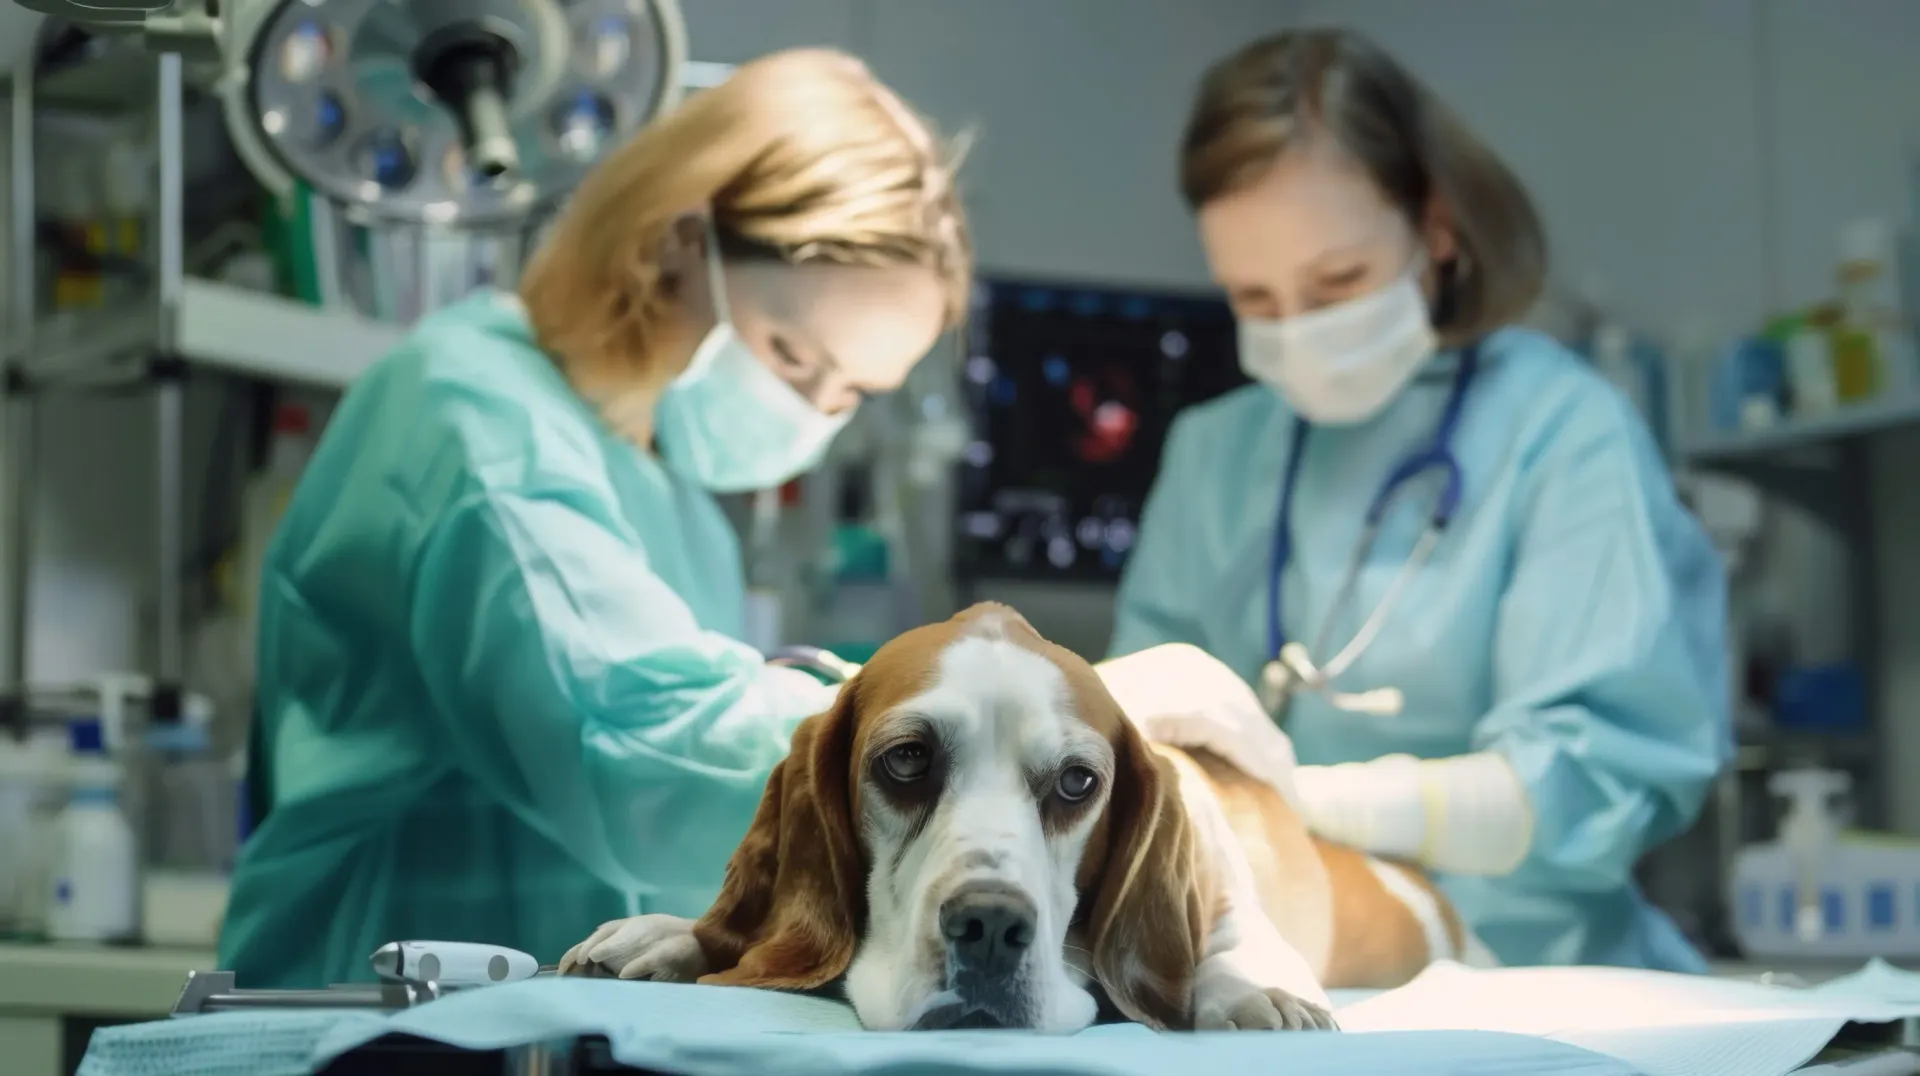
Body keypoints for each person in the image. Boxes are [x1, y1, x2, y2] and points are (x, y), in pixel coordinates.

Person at [218, 49, 972, 988]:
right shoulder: (476, 423)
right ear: (674, 242)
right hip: (376, 1008)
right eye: (790, 354)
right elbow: (647, 743)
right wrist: (993, 723)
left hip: (546, 1015)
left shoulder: (664, 484)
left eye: (850, 390)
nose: (812, 409)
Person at [1109, 28, 1729, 971]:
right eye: (1256, 301)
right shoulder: (1216, 457)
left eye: (1338, 282)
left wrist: (1305, 801)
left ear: (1437, 226)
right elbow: (1139, 758)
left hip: (1540, 983)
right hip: (1279, 961)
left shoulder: (1559, 432)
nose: (1301, 332)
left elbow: (1588, 782)